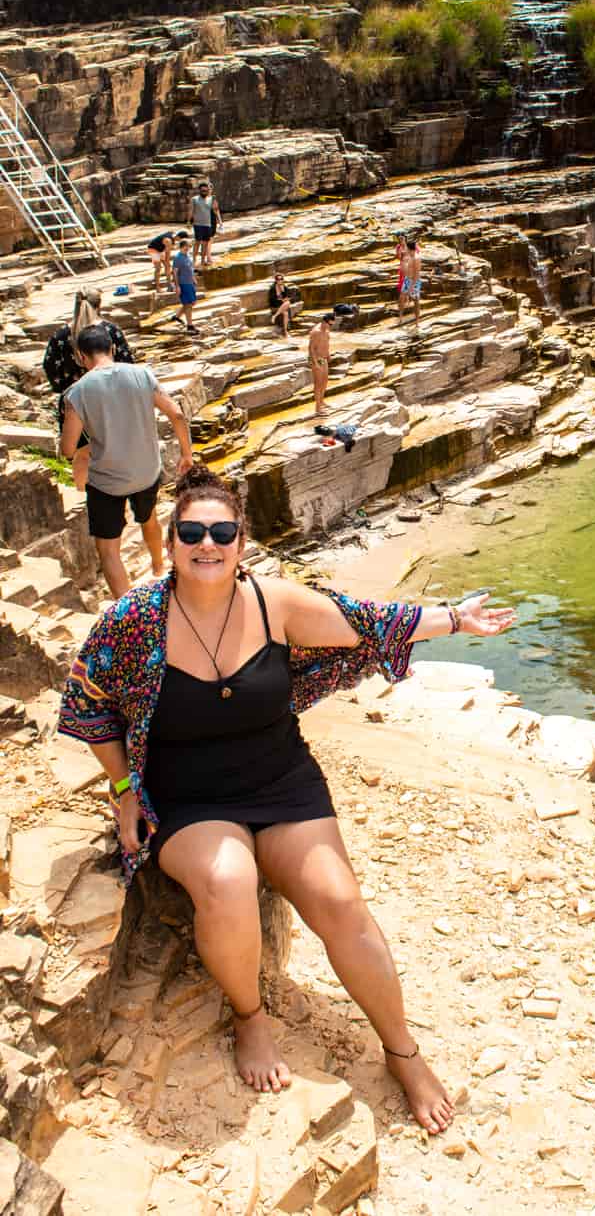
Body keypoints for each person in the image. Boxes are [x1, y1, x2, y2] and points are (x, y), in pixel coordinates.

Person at [57, 463, 516, 1129]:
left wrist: (452, 618)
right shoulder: (133, 622)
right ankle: (251, 1017)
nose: (206, 544)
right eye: (192, 531)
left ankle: (403, 1051)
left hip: (280, 780)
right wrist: (126, 790)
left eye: (222, 532)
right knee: (228, 881)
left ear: (242, 541)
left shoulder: (277, 603)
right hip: (186, 796)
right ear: (172, 540)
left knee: (338, 899)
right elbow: (90, 702)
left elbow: (367, 620)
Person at [60, 325, 194, 598]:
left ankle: (126, 609)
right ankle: (158, 568)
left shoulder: (77, 393)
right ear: (112, 349)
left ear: (81, 357)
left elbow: (67, 449)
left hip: (107, 481)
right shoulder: (141, 374)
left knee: (108, 550)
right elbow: (177, 415)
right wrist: (186, 454)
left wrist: (89, 442)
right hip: (146, 471)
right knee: (149, 518)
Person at [43, 290, 136, 490]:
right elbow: (127, 363)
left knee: (82, 454)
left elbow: (51, 369)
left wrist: (66, 386)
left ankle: (83, 495)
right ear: (99, 306)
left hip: (74, 403)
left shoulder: (60, 336)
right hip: (111, 400)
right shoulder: (110, 332)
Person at [307, 313, 335, 416]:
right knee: (318, 384)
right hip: (317, 359)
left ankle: (321, 402)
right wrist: (315, 363)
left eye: (331, 325)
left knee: (324, 382)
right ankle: (318, 409)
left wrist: (328, 355)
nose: (330, 327)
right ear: (324, 321)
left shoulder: (326, 330)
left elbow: (326, 343)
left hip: (324, 359)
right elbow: (311, 348)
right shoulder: (316, 332)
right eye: (329, 324)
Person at [146, 231, 180, 312]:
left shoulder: (172, 235)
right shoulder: (169, 241)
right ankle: (158, 288)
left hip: (160, 250)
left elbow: (167, 253)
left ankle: (169, 285)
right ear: (178, 237)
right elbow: (168, 255)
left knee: (167, 267)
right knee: (158, 268)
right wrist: (167, 262)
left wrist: (167, 264)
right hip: (153, 249)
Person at [172, 237, 199, 335]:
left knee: (191, 303)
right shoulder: (178, 258)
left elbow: (190, 268)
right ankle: (190, 326)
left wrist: (194, 279)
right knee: (188, 304)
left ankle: (177, 316)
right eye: (187, 246)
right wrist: (177, 286)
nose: (189, 248)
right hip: (183, 284)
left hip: (190, 283)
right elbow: (175, 273)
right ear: (182, 246)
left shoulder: (187, 255)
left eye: (189, 246)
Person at [191, 182, 222, 268]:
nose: (208, 190)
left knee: (209, 240)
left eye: (210, 188)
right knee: (200, 241)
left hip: (211, 220)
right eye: (207, 188)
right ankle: (201, 259)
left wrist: (220, 222)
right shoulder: (198, 199)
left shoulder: (213, 198)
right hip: (201, 222)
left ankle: (207, 257)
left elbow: (216, 210)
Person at [399, 239, 422, 326]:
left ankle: (417, 322)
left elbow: (416, 274)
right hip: (407, 280)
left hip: (414, 282)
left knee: (416, 301)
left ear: (409, 249)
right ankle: (401, 317)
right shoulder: (409, 256)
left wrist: (411, 288)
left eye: (407, 248)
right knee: (401, 297)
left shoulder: (416, 258)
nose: (406, 250)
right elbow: (405, 267)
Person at [268, 271, 293, 339]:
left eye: (281, 279)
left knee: (286, 313)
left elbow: (288, 297)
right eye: (278, 279)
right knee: (287, 303)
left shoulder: (284, 287)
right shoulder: (272, 288)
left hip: (282, 305)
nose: (280, 280)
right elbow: (272, 300)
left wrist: (283, 291)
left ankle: (285, 331)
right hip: (275, 306)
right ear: (276, 280)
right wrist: (281, 300)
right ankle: (285, 332)